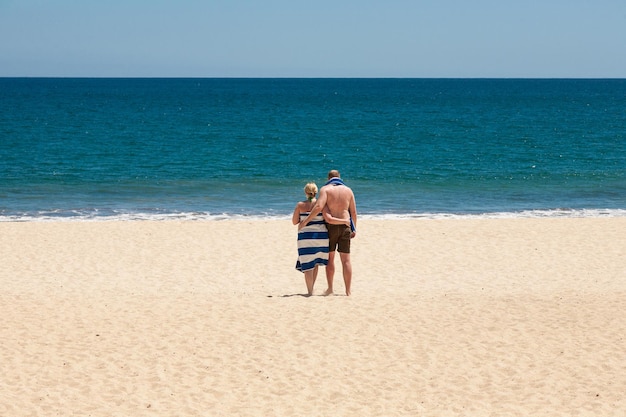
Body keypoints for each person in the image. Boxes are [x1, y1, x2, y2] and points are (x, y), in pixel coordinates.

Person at [299, 170, 357, 296]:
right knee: (346, 260)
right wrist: (354, 229)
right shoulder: (348, 190)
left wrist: (306, 221)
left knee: (330, 259)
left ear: (328, 178)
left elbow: (319, 207)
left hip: (331, 227)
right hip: (345, 226)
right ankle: (348, 291)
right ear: (339, 177)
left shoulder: (326, 189)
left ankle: (330, 288)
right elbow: (353, 212)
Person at [292, 182, 329, 296]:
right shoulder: (322, 204)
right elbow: (327, 218)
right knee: (316, 262)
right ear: (316, 192)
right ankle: (311, 289)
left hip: (305, 237)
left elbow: (294, 222)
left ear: (305, 192)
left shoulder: (300, 205)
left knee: (308, 265)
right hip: (321, 236)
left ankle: (310, 291)